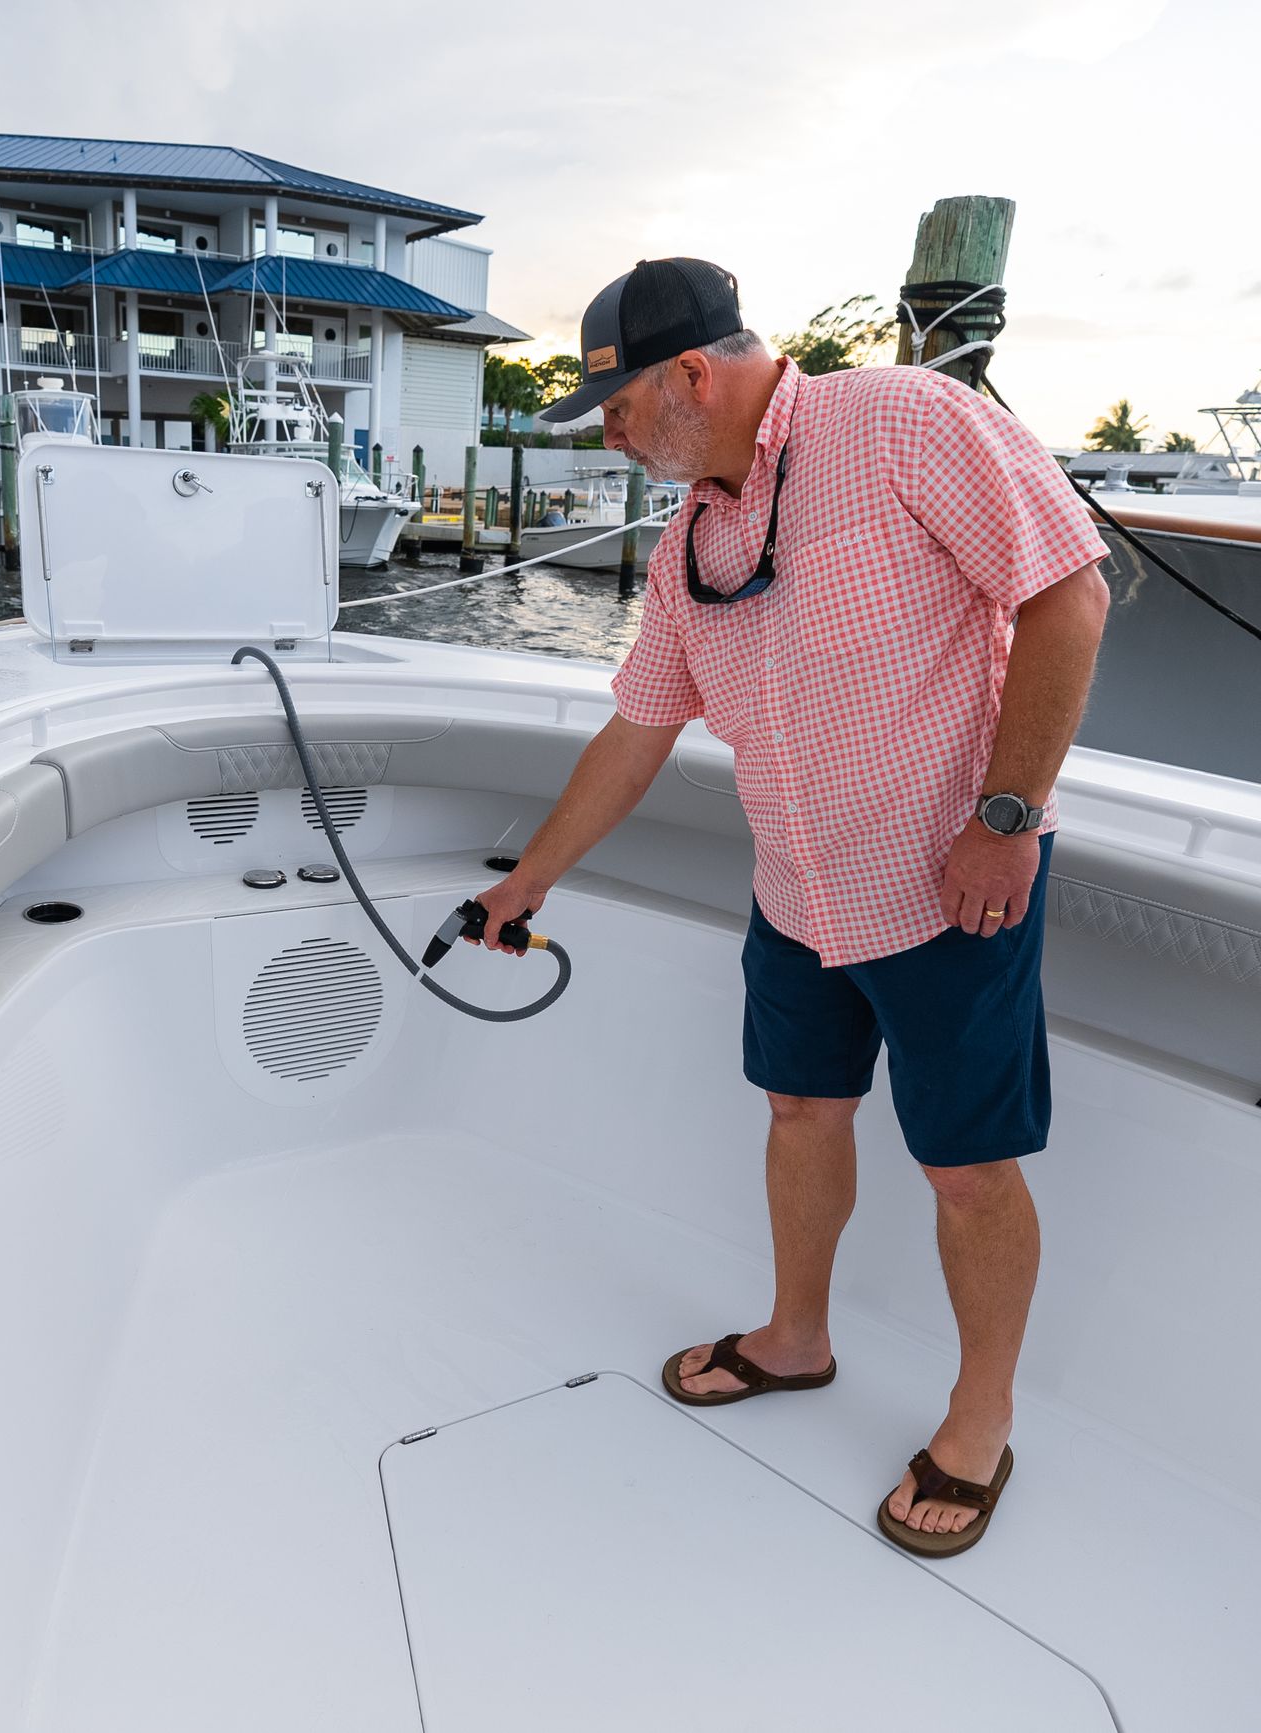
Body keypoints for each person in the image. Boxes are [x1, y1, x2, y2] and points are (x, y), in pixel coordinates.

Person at [473, 258, 1109, 1557]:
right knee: (799, 1110)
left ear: (690, 377)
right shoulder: (690, 543)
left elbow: (1067, 596)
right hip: (797, 895)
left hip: (948, 892)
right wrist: (528, 879)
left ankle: (979, 1418)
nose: (607, 438)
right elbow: (638, 729)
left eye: (613, 410)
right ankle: (795, 1336)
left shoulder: (905, 422)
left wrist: (1006, 820)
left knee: (968, 1168)